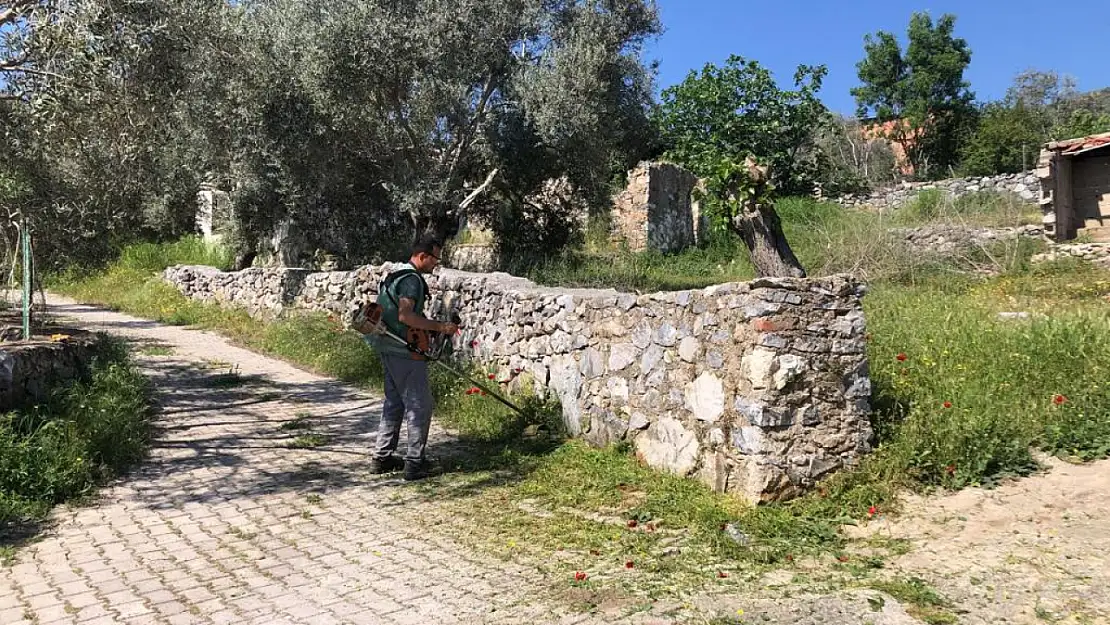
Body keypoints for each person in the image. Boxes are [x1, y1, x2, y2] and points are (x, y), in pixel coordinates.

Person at [365, 234, 459, 480]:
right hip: (405, 351)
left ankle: (382, 458)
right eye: (434, 259)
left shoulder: (394, 275)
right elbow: (406, 316)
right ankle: (415, 463)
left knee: (394, 403)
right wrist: (440, 327)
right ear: (422, 256)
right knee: (419, 406)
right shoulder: (411, 281)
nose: (435, 265)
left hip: (387, 347)